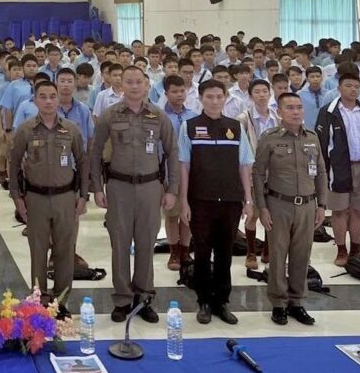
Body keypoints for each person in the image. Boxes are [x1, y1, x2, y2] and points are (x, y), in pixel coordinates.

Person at [90, 66, 178, 324]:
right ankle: (122, 299)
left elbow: (172, 152)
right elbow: (95, 152)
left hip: (151, 187)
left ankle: (144, 298)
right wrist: (97, 187)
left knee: (146, 243)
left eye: (139, 81)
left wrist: (172, 189)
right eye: (129, 81)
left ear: (147, 85)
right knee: (119, 243)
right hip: (119, 187)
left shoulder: (158, 115)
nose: (134, 86)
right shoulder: (110, 114)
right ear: (122, 84)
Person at [179, 79, 254, 325]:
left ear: (225, 98)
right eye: (209, 97)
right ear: (200, 98)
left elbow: (244, 165)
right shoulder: (189, 126)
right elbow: (184, 166)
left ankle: (221, 301)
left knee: (225, 253)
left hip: (230, 200)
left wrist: (248, 199)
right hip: (200, 200)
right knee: (201, 252)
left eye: (219, 97)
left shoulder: (235, 127)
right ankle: (203, 301)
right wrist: (184, 201)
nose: (214, 101)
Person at [10, 81, 87, 318]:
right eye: (42, 96)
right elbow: (14, 164)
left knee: (65, 250)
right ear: (35, 100)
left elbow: (82, 162)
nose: (48, 101)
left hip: (65, 197)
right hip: (36, 198)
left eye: (52, 96)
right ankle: (39, 299)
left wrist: (83, 195)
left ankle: (61, 300)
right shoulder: (26, 130)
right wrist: (17, 197)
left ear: (58, 98)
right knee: (38, 250)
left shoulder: (71, 129)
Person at [254, 93, 327, 326]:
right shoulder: (270, 138)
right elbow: (258, 173)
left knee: (302, 254)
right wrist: (262, 207)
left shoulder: (312, 138)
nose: (295, 112)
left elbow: (321, 172)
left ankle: (297, 301)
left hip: (307, 205)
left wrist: (322, 205)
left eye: (299, 107)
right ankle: (278, 303)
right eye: (290, 108)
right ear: (279, 112)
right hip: (279, 204)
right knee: (278, 254)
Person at [316, 73, 360, 267]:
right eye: (348, 86)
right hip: (338, 168)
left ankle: (356, 250)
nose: (353, 89)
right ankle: (341, 249)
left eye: (356, 86)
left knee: (358, 211)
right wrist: (322, 171)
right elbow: (321, 143)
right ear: (339, 88)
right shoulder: (328, 111)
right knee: (339, 211)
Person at [236, 78, 278, 269]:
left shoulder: (277, 117)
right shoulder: (243, 119)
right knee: (252, 214)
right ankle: (251, 252)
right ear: (250, 96)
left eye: (265, 91)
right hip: (253, 173)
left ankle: (268, 250)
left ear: (270, 93)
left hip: (275, 173)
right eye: (257, 92)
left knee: (272, 213)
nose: (262, 95)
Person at [157, 75, 196, 271]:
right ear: (166, 93)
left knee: (188, 213)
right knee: (172, 213)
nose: (179, 95)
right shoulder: (160, 117)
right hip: (169, 171)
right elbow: (158, 148)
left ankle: (185, 250)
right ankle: (174, 252)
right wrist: (161, 175)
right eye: (174, 91)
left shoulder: (193, 116)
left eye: (182, 91)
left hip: (192, 171)